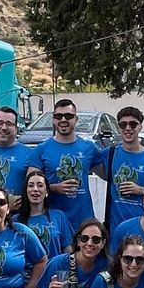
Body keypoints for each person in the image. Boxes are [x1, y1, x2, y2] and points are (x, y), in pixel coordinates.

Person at [35, 98, 101, 234]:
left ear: (76, 119)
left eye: (68, 116)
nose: (63, 119)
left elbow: (109, 174)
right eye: (59, 116)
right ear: (53, 120)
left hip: (83, 223)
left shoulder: (89, 148)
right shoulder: (41, 149)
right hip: (52, 223)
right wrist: (53, 188)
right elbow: (29, 184)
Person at [15, 168, 73, 259]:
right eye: (31, 185)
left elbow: (69, 250)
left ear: (46, 191)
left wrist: (71, 266)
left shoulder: (59, 216)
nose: (35, 189)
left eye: (40, 185)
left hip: (54, 267)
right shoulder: (16, 220)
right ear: (26, 191)